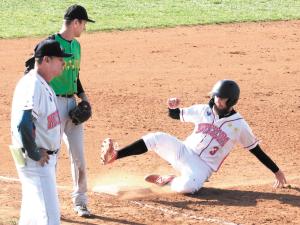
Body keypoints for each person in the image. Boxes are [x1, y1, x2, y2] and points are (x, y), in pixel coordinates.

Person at [100, 80, 287, 193]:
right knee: (156, 138)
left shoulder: (239, 126)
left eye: (221, 98)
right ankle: (117, 154)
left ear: (231, 101)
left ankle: (169, 180)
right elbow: (175, 115)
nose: (216, 100)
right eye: (216, 96)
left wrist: (277, 171)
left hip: (202, 167)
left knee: (186, 188)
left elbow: (256, 151)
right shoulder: (203, 110)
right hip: (183, 150)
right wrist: (172, 107)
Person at [24, 4, 95, 217]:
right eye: (83, 24)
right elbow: (30, 69)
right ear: (76, 22)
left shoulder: (77, 46)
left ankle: (80, 202)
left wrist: (83, 97)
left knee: (79, 156)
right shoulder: (50, 44)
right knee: (51, 155)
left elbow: (75, 75)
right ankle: (49, 203)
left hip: (71, 105)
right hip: (52, 105)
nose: (84, 28)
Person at [11, 39, 72, 225]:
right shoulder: (33, 85)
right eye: (59, 59)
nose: (63, 62)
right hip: (37, 163)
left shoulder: (41, 83)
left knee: (31, 218)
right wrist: (35, 152)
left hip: (38, 161)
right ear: (46, 60)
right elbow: (24, 123)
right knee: (50, 219)